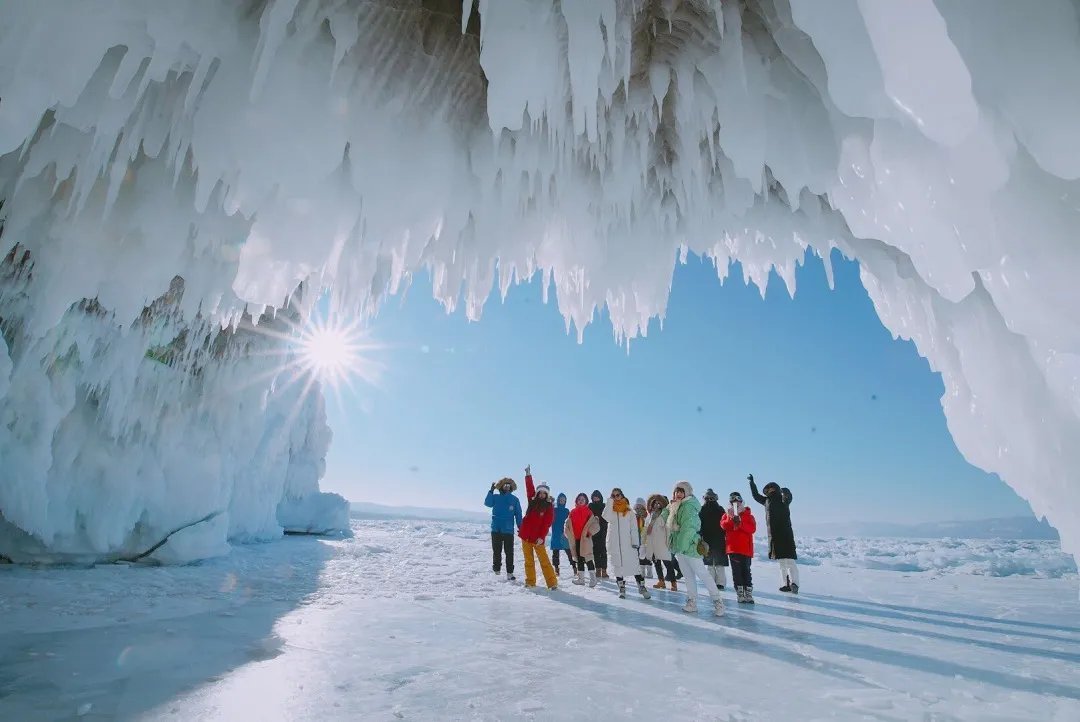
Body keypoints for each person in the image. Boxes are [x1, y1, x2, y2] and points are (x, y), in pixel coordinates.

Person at [667, 481, 724, 616]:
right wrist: (669, 507)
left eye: (681, 491)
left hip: (690, 547)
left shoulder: (688, 506)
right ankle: (692, 602)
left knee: (702, 574)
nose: (678, 494)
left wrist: (680, 546)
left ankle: (718, 601)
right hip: (680, 548)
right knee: (688, 576)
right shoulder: (676, 506)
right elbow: (669, 523)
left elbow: (688, 529)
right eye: (676, 491)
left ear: (687, 493)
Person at [748, 474, 800, 594]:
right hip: (774, 535)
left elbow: (788, 498)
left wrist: (786, 491)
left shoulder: (783, 499)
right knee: (782, 563)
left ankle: (795, 583)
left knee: (790, 561)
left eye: (773, 488)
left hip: (786, 534)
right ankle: (785, 584)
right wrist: (752, 483)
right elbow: (755, 496)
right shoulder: (766, 500)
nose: (771, 490)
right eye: (769, 489)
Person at [602, 488, 652, 600]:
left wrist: (635, 542)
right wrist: (610, 501)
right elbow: (605, 517)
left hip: (628, 544)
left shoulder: (629, 512)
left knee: (634, 567)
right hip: (615, 544)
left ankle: (642, 587)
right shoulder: (611, 510)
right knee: (618, 568)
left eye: (617, 495)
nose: (616, 497)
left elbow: (634, 528)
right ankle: (622, 588)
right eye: (613, 495)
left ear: (622, 495)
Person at [518, 465, 558, 590]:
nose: (541, 494)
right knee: (528, 561)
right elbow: (529, 488)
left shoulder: (549, 507)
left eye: (544, 493)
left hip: (538, 539)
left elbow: (547, 523)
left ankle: (552, 583)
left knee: (544, 561)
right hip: (525, 536)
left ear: (547, 494)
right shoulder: (532, 501)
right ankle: (530, 582)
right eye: (539, 492)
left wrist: (542, 537)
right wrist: (528, 475)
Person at [721, 491, 757, 604]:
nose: (735, 503)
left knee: (746, 570)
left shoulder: (748, 515)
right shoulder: (727, 514)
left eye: (737, 501)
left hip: (745, 548)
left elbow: (752, 529)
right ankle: (740, 593)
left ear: (741, 502)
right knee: (736, 571)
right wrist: (731, 519)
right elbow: (723, 525)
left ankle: (748, 593)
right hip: (733, 548)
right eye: (733, 502)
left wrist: (740, 523)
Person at [485, 475, 522, 580]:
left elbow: (518, 514)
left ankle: (510, 572)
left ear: (511, 487)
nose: (507, 487)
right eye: (505, 485)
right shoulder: (496, 497)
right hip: (496, 528)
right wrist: (491, 491)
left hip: (508, 530)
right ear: (501, 486)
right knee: (496, 551)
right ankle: (496, 570)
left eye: (508, 485)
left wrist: (521, 527)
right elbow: (487, 503)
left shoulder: (514, 500)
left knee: (509, 552)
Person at [565, 492, 600, 587]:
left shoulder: (588, 512)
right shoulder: (572, 512)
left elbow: (595, 524)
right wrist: (567, 532)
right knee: (579, 559)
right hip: (576, 539)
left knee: (588, 557)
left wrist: (589, 532)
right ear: (576, 501)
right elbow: (568, 524)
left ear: (586, 502)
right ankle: (581, 579)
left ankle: (593, 579)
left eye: (583, 500)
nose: (581, 501)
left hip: (585, 539)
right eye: (579, 499)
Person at [644, 494, 678, 591]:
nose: (656, 505)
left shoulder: (664, 514)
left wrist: (668, 542)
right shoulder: (650, 515)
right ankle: (661, 581)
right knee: (656, 563)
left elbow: (668, 528)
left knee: (667, 563)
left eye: (659, 503)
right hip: (652, 542)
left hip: (662, 542)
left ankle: (673, 582)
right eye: (655, 503)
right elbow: (647, 528)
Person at [699, 489, 728, 591]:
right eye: (708, 498)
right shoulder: (702, 510)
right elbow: (699, 525)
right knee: (710, 563)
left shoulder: (720, 509)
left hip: (718, 539)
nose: (709, 499)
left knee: (718, 563)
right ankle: (713, 582)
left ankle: (720, 583)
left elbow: (725, 523)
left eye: (711, 498)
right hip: (709, 539)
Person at [550, 493, 572, 576]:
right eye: (560, 499)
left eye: (563, 500)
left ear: (565, 501)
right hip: (555, 533)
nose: (562, 501)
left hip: (564, 534)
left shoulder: (567, 511)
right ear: (558, 500)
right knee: (555, 553)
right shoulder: (554, 510)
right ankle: (556, 568)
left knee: (569, 551)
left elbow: (570, 521)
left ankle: (574, 567)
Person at [589, 490, 609, 577]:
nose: (595, 498)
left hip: (603, 530)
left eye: (597, 497)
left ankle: (604, 570)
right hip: (593, 531)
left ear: (600, 497)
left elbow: (607, 517)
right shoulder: (590, 506)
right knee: (595, 550)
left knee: (603, 550)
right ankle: (598, 569)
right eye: (594, 497)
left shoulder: (604, 506)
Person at [634, 498, 653, 579]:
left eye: (640, 507)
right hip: (638, 538)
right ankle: (642, 571)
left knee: (647, 556)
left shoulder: (647, 516)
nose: (638, 509)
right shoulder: (634, 517)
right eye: (637, 507)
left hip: (646, 538)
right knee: (640, 556)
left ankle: (649, 571)